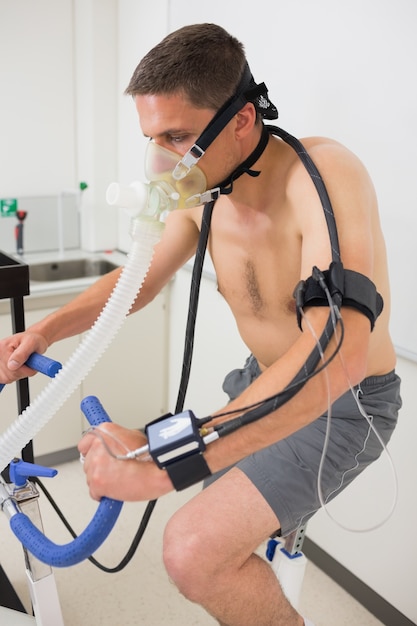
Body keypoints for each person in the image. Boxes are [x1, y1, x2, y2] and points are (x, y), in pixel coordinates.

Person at [0, 23, 401, 626]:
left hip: (344, 402)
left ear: (241, 119)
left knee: (193, 553)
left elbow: (336, 354)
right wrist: (47, 330)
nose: (163, 160)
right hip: (258, 381)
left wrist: (169, 460)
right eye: (153, 139)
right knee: (222, 539)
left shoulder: (322, 176)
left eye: (178, 136)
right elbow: (140, 276)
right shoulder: (206, 189)